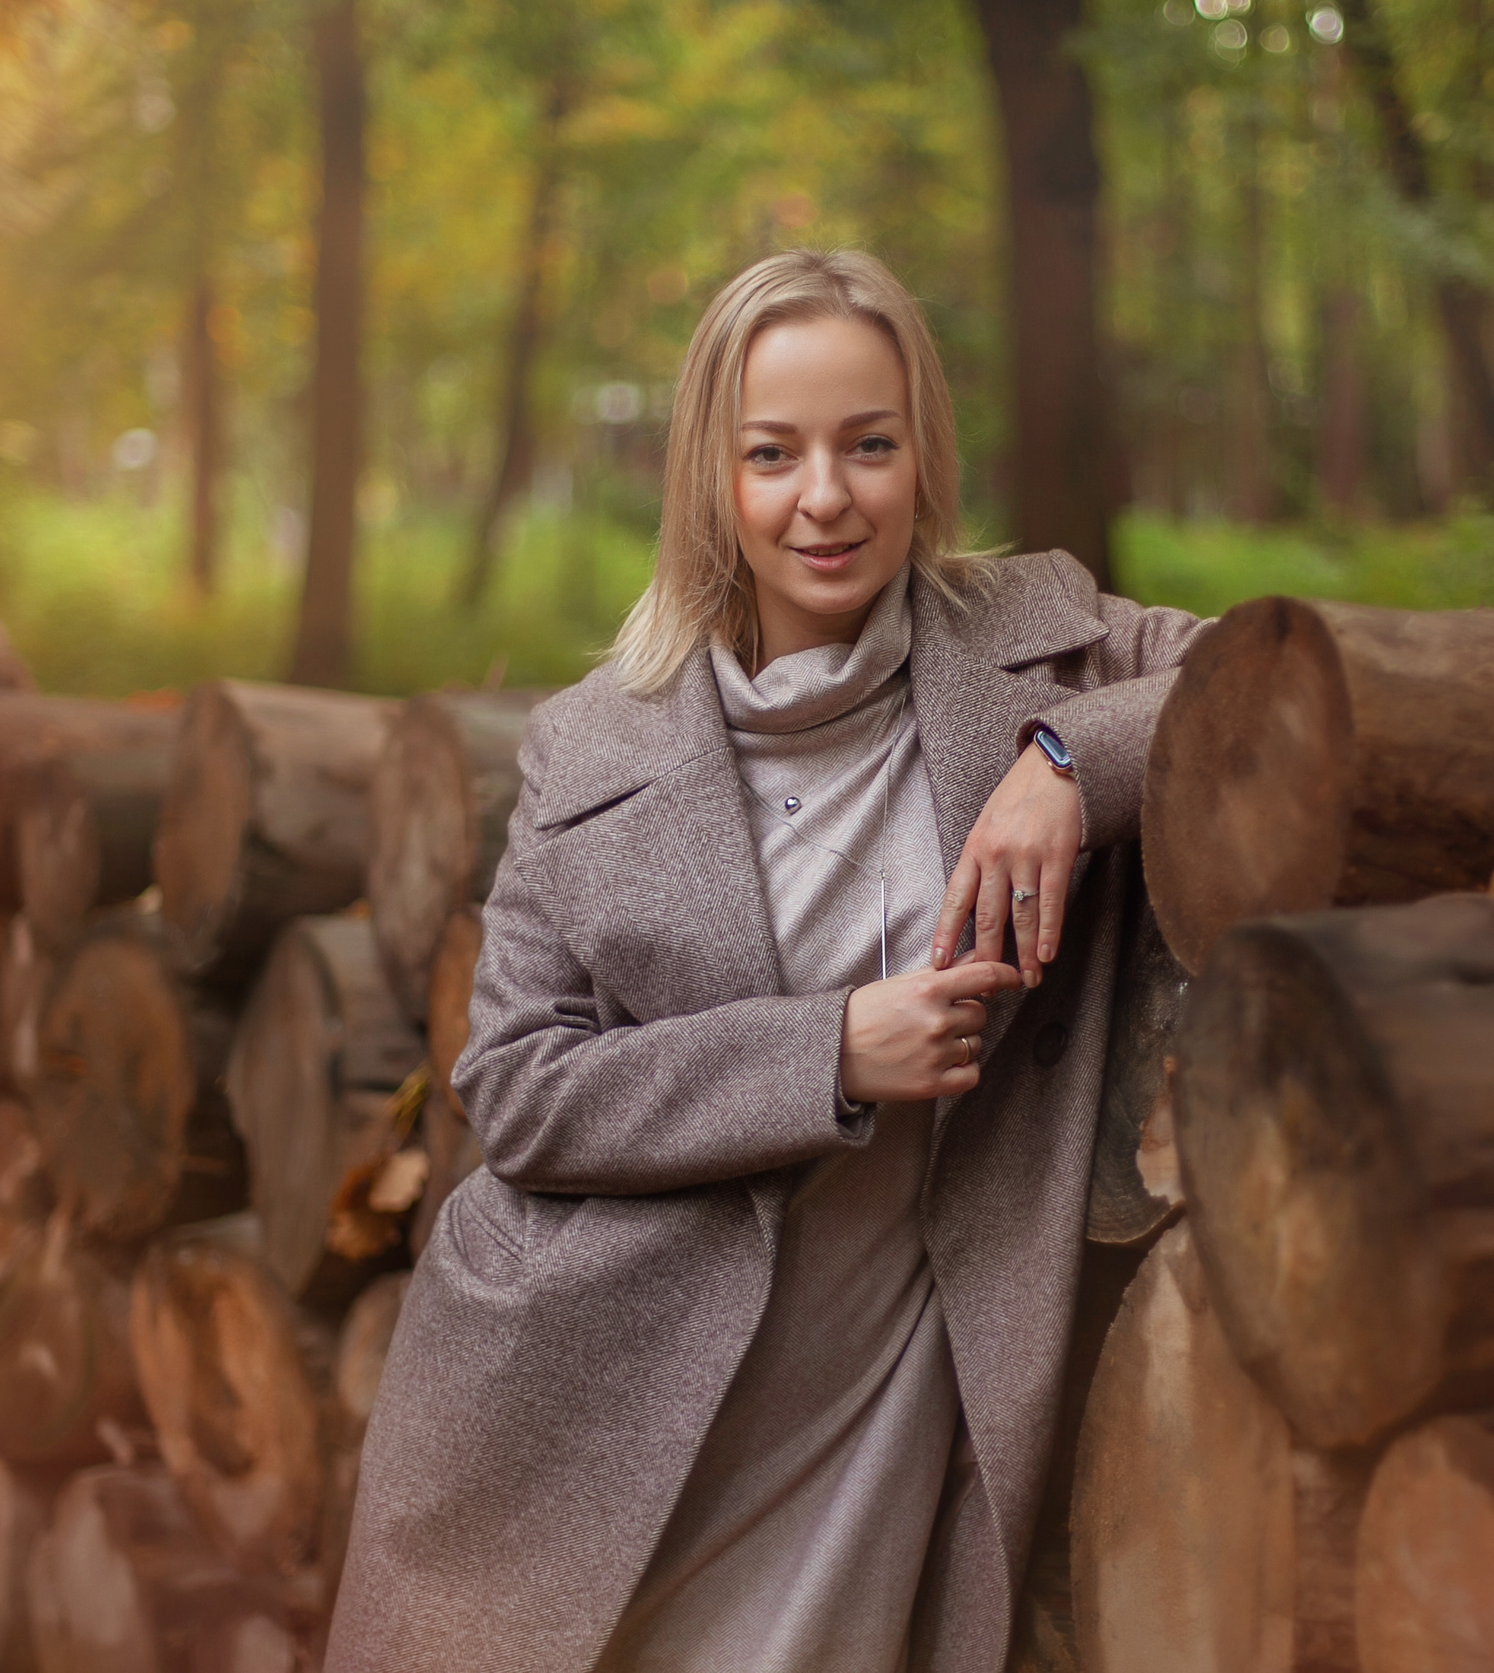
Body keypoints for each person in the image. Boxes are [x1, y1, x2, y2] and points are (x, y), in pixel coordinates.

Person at [327, 248, 1203, 1673]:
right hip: (600, 1403)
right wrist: (830, 1053)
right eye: (772, 454)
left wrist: (1063, 762)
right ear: (710, 479)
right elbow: (519, 1089)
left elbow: (1289, 669)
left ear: (923, 452)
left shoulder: (1044, 645)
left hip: (881, 1399)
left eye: (870, 443)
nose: (825, 498)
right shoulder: (595, 743)